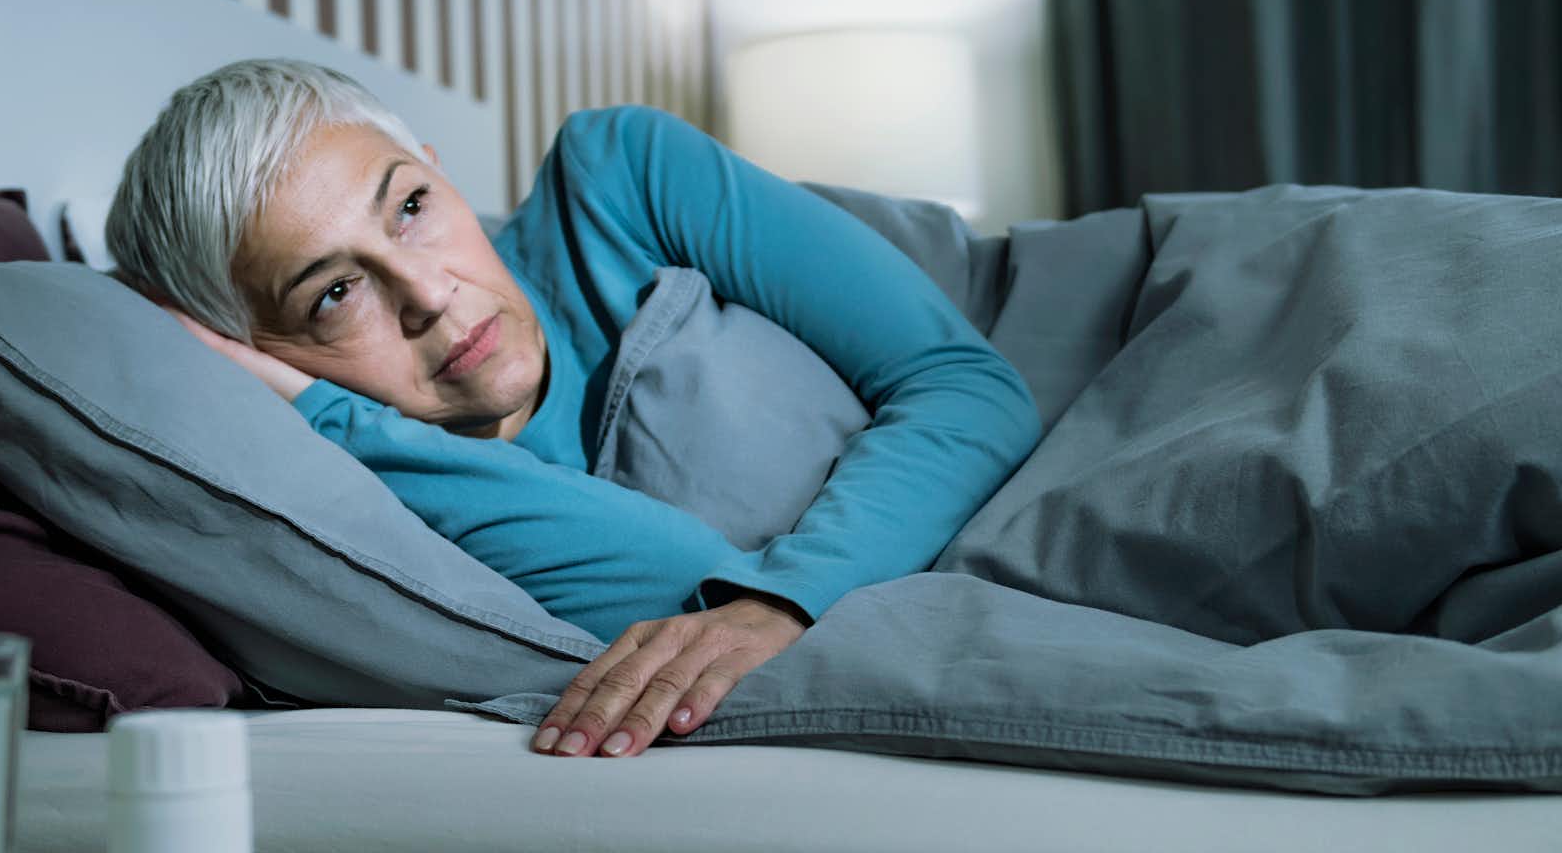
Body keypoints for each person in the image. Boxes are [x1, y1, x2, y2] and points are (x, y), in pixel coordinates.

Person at [106, 57, 1039, 758]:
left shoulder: (619, 174)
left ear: (438, 170)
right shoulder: (349, 478)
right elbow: (677, 580)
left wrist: (779, 603)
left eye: (411, 207)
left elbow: (964, 381)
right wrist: (328, 415)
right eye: (334, 295)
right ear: (256, 352)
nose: (427, 293)